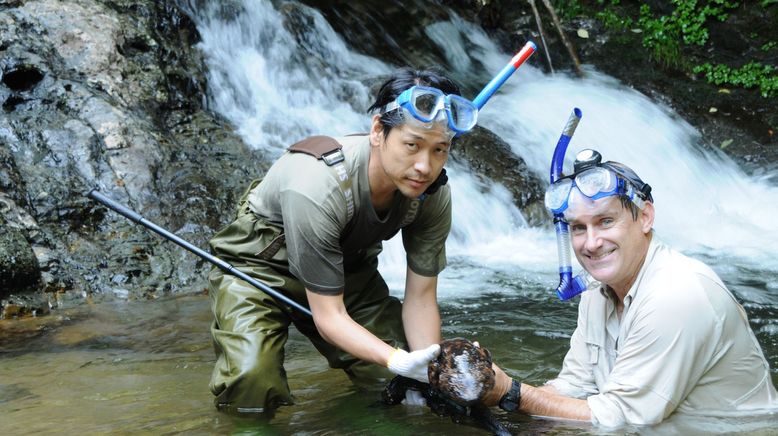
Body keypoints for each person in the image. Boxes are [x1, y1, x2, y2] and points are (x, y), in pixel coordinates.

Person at [206, 67, 480, 416]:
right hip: (260, 265)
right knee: (251, 381)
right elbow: (329, 316)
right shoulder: (318, 184)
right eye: (412, 145)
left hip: (347, 267)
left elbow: (422, 299)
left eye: (440, 150)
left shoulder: (432, 194)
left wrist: (424, 367)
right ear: (378, 131)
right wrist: (396, 358)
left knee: (398, 383)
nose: (424, 167)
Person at [482, 148, 778, 427]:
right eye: (579, 228)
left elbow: (622, 420)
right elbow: (576, 385)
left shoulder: (676, 293)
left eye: (606, 221)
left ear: (645, 217)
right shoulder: (598, 288)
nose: (592, 243)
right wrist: (487, 392)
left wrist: (511, 393)